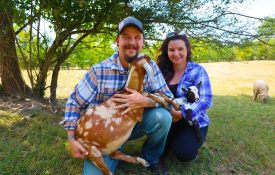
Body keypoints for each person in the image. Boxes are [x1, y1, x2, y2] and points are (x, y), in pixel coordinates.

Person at [61, 16, 173, 175]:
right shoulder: (99, 71)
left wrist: (146, 101)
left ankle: (152, 157)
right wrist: (72, 138)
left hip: (135, 124)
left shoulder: (150, 66)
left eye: (137, 37)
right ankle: (114, 151)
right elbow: (74, 102)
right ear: (117, 41)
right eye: (126, 37)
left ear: (143, 42)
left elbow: (167, 96)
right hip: (104, 137)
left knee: (163, 117)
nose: (132, 42)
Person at [157, 31, 212, 162]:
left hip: (192, 122)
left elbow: (206, 100)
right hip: (168, 121)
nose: (176, 54)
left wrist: (182, 114)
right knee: (157, 152)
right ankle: (171, 139)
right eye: (171, 50)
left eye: (180, 49)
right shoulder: (161, 71)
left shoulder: (198, 70)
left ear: (187, 49)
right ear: (167, 51)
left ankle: (191, 141)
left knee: (184, 153)